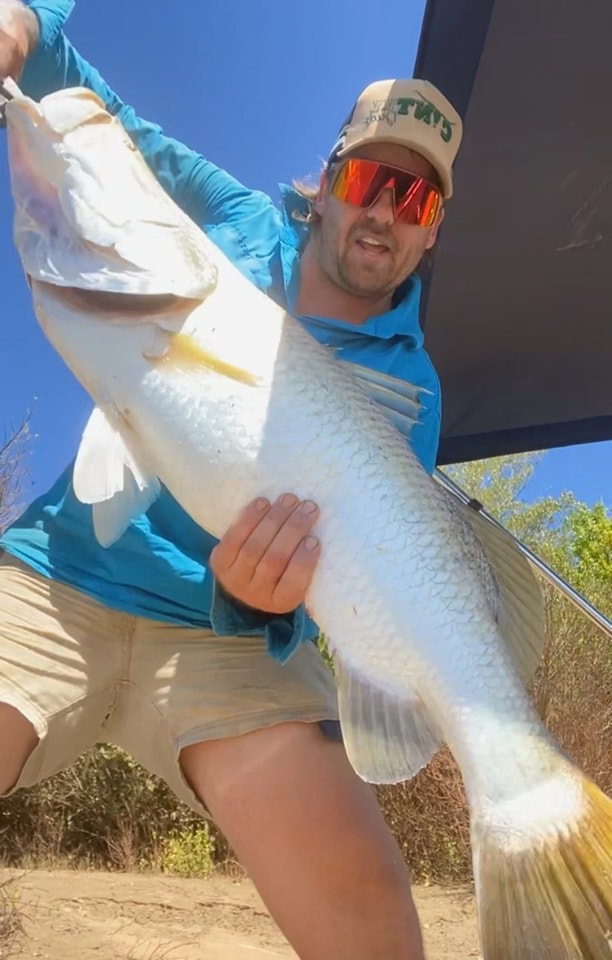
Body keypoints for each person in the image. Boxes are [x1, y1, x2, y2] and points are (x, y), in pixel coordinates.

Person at [0, 2, 463, 957]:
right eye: (373, 179)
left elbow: (354, 584)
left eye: (414, 201)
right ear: (330, 182)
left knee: (375, 927)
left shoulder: (408, 389)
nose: (384, 212)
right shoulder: (238, 218)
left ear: (430, 235)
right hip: (59, 576)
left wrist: (258, 604)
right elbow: (87, 104)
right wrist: (24, 21)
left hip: (228, 642)